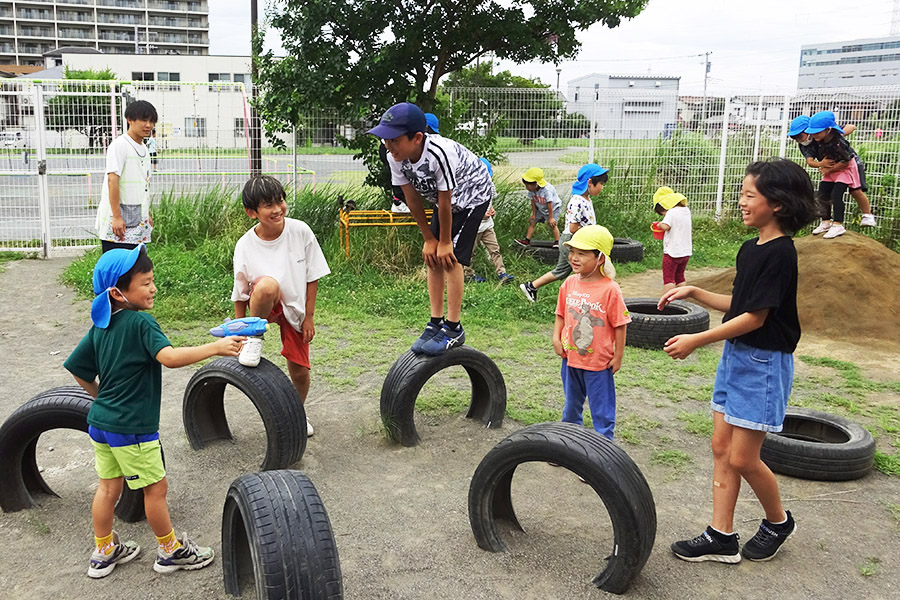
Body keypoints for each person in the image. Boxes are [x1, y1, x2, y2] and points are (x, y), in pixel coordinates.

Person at [661, 158, 816, 564]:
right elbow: (740, 305)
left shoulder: (781, 253)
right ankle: (721, 536)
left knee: (743, 457)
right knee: (720, 447)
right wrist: (693, 292)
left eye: (750, 195)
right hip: (738, 357)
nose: (742, 202)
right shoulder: (751, 249)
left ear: (778, 204)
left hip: (763, 363)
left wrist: (697, 338)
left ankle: (778, 522)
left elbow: (756, 318)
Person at [64, 245, 245, 578]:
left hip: (101, 423)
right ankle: (170, 550)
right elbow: (170, 358)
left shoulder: (100, 327)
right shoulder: (141, 322)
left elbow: (77, 369)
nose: (154, 288)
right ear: (118, 292)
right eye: (146, 282)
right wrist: (217, 347)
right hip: (132, 427)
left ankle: (104, 551)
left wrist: (100, 395)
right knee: (155, 489)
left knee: (107, 488)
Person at [369, 102, 494, 356]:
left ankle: (453, 327)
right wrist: (429, 238)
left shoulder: (439, 153)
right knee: (432, 257)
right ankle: (435, 322)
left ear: (416, 138)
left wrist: (445, 241)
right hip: (442, 200)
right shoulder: (395, 156)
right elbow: (411, 198)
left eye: (393, 139)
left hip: (472, 194)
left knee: (450, 258)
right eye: (385, 140)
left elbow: (447, 199)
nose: (388, 145)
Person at [232, 175, 330, 437]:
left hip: (295, 307)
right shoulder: (245, 245)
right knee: (267, 287)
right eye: (268, 205)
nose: (277, 209)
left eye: (280, 201)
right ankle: (256, 337)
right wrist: (240, 334)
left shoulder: (300, 231)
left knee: (299, 370)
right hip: (264, 303)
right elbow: (241, 293)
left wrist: (309, 317)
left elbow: (313, 276)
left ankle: (297, 413)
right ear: (252, 212)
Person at [553, 225, 630, 439]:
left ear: (600, 258)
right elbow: (560, 313)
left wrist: (618, 356)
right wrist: (556, 337)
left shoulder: (610, 289)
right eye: (572, 252)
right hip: (570, 359)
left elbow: (620, 324)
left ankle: (603, 457)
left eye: (582, 254)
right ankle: (568, 445)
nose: (574, 258)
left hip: (599, 363)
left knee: (602, 411)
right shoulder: (569, 283)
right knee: (571, 407)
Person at [520, 164, 608, 303]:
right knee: (584, 271)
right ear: (590, 182)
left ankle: (532, 286)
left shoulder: (586, 199)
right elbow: (573, 228)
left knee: (562, 271)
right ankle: (582, 298)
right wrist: (591, 235)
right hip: (573, 241)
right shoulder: (577, 201)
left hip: (579, 241)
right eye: (601, 184)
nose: (602, 187)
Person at [788, 114, 876, 232]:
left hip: (847, 164)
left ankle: (868, 215)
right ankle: (826, 221)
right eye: (795, 138)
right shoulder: (807, 144)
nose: (799, 140)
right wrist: (822, 164)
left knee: (855, 190)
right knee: (824, 193)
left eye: (799, 136)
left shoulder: (826, 135)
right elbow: (809, 161)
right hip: (831, 167)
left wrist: (839, 134)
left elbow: (850, 128)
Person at [96, 100, 157, 253]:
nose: (148, 125)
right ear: (129, 120)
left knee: (136, 268)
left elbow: (143, 184)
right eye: (143, 120)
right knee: (117, 267)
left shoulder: (144, 148)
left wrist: (146, 213)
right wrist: (116, 217)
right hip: (119, 219)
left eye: (151, 121)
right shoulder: (120, 145)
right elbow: (112, 181)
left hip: (137, 218)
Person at [463, 158, 514, 284]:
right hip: (473, 227)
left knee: (495, 249)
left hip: (488, 226)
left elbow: (490, 203)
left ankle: (502, 273)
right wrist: (480, 215)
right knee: (470, 252)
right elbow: (466, 210)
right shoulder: (469, 190)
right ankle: (468, 274)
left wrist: (491, 210)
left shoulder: (490, 186)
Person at [652, 186, 693, 292]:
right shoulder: (686, 210)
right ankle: (681, 300)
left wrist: (660, 224)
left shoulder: (671, 212)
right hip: (685, 252)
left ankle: (669, 302)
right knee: (680, 277)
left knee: (669, 279)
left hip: (672, 253)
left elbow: (666, 226)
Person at [516, 167, 562, 245]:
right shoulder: (531, 190)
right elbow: (533, 201)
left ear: (536, 184)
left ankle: (557, 242)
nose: (526, 188)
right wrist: (534, 214)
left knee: (552, 225)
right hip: (540, 208)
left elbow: (549, 203)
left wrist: (551, 218)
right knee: (532, 222)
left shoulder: (547, 190)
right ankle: (527, 240)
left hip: (553, 209)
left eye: (528, 186)